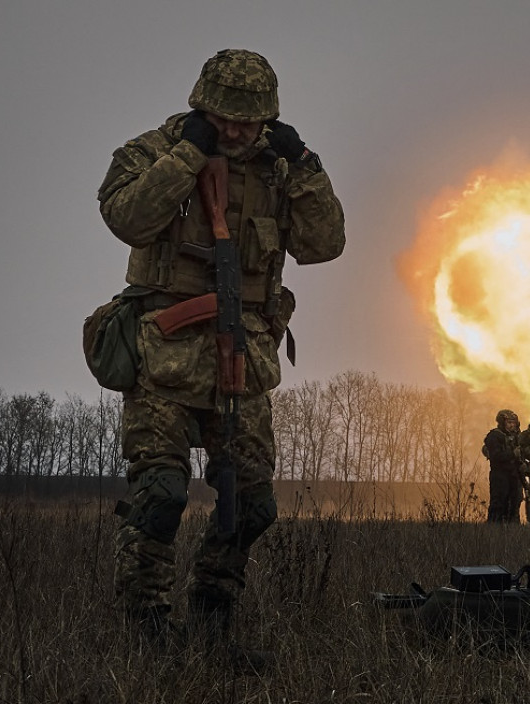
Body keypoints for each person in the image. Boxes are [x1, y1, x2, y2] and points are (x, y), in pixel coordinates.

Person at [97, 49, 346, 647]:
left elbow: (324, 244)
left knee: (254, 506)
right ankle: (146, 628)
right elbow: (125, 217)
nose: (237, 131)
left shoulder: (282, 169)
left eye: (250, 121)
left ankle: (212, 611)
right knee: (160, 498)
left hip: (245, 360)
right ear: (202, 107)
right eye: (226, 119)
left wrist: (306, 164)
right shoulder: (156, 150)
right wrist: (187, 155)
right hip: (165, 359)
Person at [484, 409, 524, 523]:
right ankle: (495, 530)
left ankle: (513, 530)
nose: (512, 425)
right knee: (499, 503)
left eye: (513, 423)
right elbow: (495, 456)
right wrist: (512, 454)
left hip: (514, 474)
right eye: (509, 423)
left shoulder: (517, 436)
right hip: (500, 475)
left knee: (515, 503)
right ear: (502, 423)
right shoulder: (494, 436)